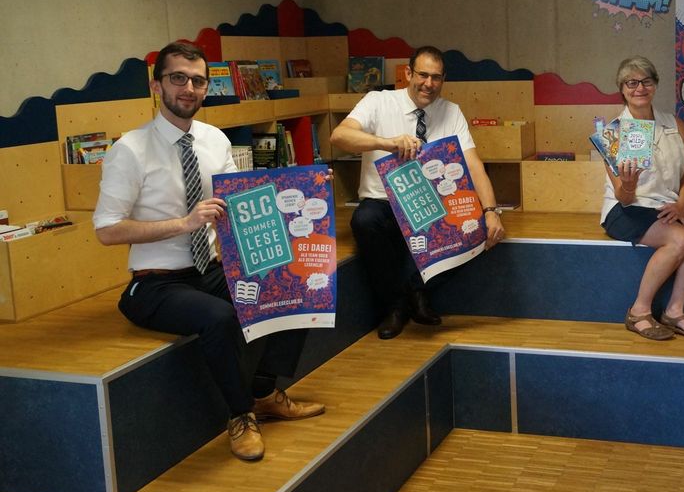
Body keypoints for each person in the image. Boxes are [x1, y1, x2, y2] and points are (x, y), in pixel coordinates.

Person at [94, 41, 324, 462]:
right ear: (156, 85)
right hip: (156, 284)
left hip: (212, 269)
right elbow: (107, 231)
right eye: (177, 78)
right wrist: (184, 223)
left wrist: (294, 210)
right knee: (219, 317)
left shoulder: (215, 139)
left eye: (198, 81)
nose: (188, 88)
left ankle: (264, 393)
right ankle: (240, 416)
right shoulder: (128, 150)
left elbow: (238, 202)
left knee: (298, 283)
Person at [330, 45, 505, 340]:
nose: (429, 84)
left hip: (433, 203)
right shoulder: (378, 101)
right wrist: (387, 143)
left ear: (443, 79)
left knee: (477, 226)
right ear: (408, 73)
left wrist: (490, 211)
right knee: (364, 220)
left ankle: (416, 290)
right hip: (384, 202)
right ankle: (396, 306)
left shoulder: (451, 111)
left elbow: (473, 164)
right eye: (423, 75)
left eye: (436, 77)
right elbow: (339, 136)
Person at [599, 57, 684, 341]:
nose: (640, 88)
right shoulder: (612, 133)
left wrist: (682, 205)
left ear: (655, 85)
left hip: (669, 202)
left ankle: (675, 311)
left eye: (646, 81)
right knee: (680, 238)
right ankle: (638, 311)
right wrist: (628, 183)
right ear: (622, 89)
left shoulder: (674, 124)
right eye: (632, 83)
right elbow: (623, 196)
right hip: (628, 207)